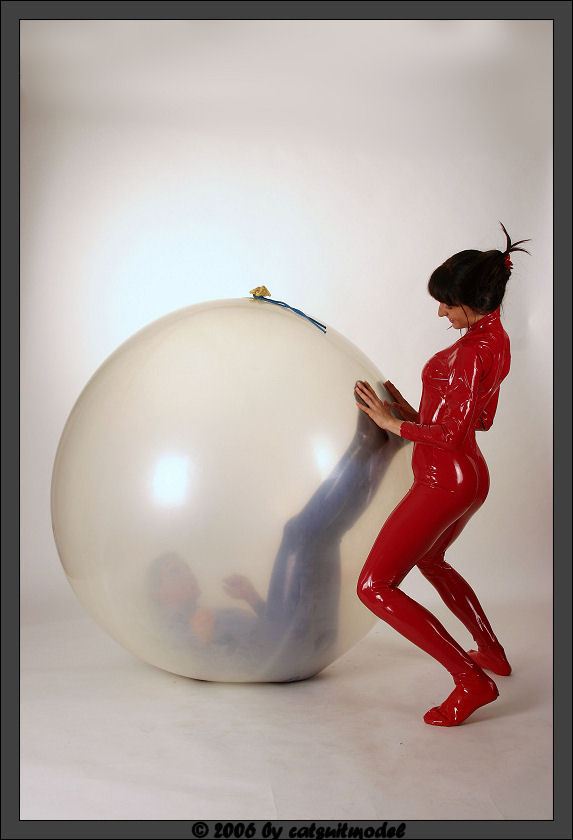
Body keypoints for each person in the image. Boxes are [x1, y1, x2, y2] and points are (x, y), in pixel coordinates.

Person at [354, 221, 531, 727]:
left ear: (473, 301)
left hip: (444, 481)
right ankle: (490, 651)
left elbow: (452, 433)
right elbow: (479, 419)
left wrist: (392, 423)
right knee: (432, 560)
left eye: (448, 305)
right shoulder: (496, 340)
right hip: (469, 476)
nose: (441, 313)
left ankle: (471, 680)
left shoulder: (472, 351)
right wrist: (412, 412)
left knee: (374, 586)